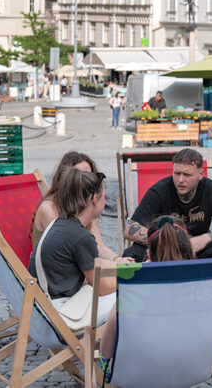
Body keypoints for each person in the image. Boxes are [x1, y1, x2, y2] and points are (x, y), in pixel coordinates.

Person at [28, 169, 117, 326]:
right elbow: (101, 288)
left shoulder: (59, 224)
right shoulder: (81, 237)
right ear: (95, 199)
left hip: (39, 311)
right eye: (104, 196)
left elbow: (91, 266)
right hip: (59, 317)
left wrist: (118, 265)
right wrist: (127, 279)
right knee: (129, 295)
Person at [123, 148, 212, 262]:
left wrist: (207, 238)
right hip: (164, 247)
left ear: (201, 174)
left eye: (187, 175)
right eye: (177, 173)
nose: (180, 180)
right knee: (133, 253)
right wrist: (167, 241)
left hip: (199, 246)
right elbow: (130, 229)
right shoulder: (159, 190)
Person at [100, 215, 194, 359]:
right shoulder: (207, 286)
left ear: (148, 253)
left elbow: (106, 352)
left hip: (137, 373)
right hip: (192, 369)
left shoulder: (133, 286)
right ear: (191, 251)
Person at [31, 151, 122, 262]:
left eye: (89, 174)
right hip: (54, 274)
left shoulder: (86, 207)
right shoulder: (49, 208)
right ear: (66, 178)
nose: (84, 179)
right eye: (79, 174)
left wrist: (118, 260)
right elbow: (66, 251)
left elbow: (99, 247)